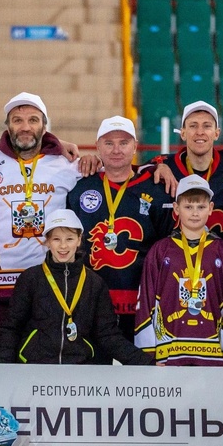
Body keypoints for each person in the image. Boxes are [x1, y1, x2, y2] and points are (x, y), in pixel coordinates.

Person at [0, 92, 83, 361]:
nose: (25, 127)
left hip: (50, 288)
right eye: (17, 120)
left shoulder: (67, 166)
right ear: (7, 126)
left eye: (33, 120)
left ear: (45, 126)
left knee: (43, 367)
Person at [0, 209, 154, 366]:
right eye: (56, 239)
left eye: (69, 239)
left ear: (79, 240)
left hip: (80, 369)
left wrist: (146, 363)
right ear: (47, 241)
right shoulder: (30, 278)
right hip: (37, 367)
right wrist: (1, 362)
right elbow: (12, 326)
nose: (63, 246)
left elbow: (108, 334)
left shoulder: (95, 283)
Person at [67, 116, 174, 336]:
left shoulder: (157, 189)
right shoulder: (80, 188)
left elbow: (167, 250)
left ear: (135, 146)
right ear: (97, 146)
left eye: (124, 143)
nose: (116, 150)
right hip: (90, 302)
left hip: (142, 304)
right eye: (109, 143)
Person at [134, 175, 223, 365]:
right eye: (188, 207)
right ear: (176, 208)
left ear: (211, 208)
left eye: (201, 207)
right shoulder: (160, 250)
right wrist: (148, 356)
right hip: (168, 354)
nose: (195, 213)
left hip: (213, 355)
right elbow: (145, 301)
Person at [150, 101, 223, 239]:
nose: (200, 132)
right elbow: (131, 172)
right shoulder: (164, 165)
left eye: (207, 126)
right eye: (193, 126)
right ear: (183, 133)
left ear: (217, 133)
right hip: (176, 252)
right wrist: (155, 168)